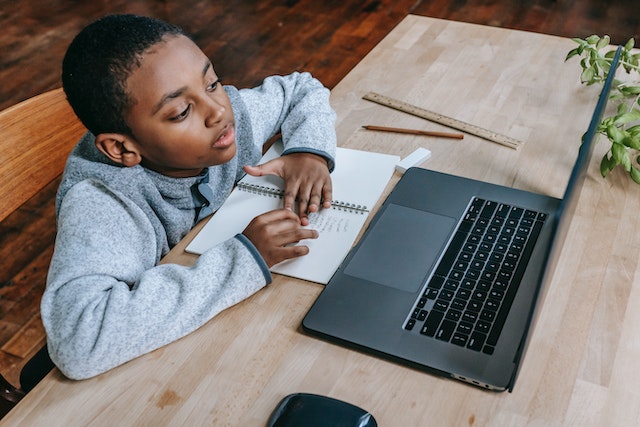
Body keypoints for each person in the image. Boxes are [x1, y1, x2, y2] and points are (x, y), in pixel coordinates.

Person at [41, 14, 337, 380]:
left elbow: (300, 89)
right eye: (181, 111)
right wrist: (243, 258)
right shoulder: (103, 201)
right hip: (142, 371)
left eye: (212, 83)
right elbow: (78, 342)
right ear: (121, 148)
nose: (218, 111)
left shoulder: (227, 120)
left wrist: (309, 153)